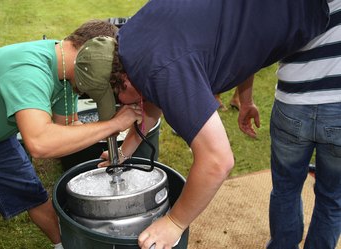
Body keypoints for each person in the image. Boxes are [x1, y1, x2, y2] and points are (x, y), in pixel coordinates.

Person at [86, 0, 330, 248]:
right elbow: (150, 99)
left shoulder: (162, 69)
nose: (124, 108)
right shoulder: (132, 39)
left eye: (118, 102)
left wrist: (174, 222)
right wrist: (125, 151)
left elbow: (217, 161)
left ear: (125, 83)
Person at [0, 20, 142, 248]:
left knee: (35, 197)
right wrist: (113, 125)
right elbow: (40, 144)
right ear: (90, 52)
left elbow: (67, 127)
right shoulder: (29, 72)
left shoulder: (67, 73)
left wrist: (116, 150)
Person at [238, 1, 341, 248]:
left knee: (285, 189)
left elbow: (253, 45)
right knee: (332, 198)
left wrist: (246, 101)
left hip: (291, 104)